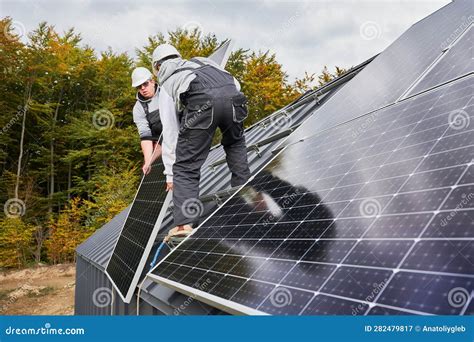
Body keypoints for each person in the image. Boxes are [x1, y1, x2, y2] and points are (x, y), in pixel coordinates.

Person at [152, 43, 251, 236]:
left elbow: (171, 130)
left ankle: (184, 225)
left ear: (157, 67)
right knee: (235, 143)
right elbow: (235, 84)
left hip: (202, 103)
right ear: (177, 56)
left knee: (185, 166)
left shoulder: (168, 81)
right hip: (233, 96)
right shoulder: (203, 65)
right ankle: (245, 195)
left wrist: (170, 174)